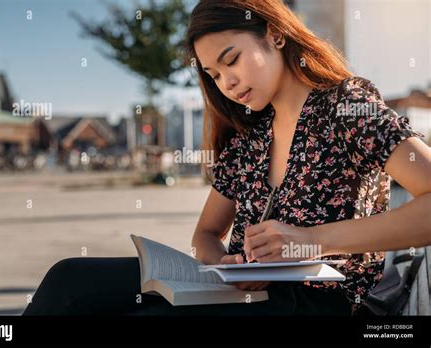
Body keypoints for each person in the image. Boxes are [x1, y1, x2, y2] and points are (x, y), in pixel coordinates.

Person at [22, 0, 431, 316]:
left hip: (318, 302)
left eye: (231, 60)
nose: (226, 83)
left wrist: (311, 241)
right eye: (214, 75)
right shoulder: (251, 137)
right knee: (69, 279)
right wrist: (225, 265)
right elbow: (206, 234)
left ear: (274, 34)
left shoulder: (346, 107)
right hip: (240, 294)